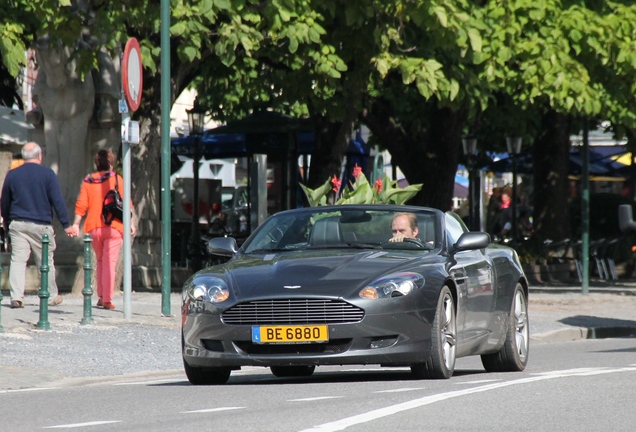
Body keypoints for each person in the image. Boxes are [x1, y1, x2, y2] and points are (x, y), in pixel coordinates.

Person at [1, 142, 76, 309]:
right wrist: (66, 225)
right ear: (39, 156)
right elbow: (57, 201)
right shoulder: (47, 174)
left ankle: (16, 297)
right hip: (41, 225)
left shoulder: (12, 175)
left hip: (18, 223)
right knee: (45, 262)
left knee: (18, 261)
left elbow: (5, 201)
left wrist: (6, 222)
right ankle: (49, 296)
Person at [72, 149, 136, 310]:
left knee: (100, 261)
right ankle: (107, 299)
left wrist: (75, 224)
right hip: (113, 227)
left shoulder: (88, 180)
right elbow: (126, 202)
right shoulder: (117, 179)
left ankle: (101, 296)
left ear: (96, 163)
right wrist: (131, 223)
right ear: (111, 162)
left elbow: (82, 204)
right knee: (110, 262)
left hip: (93, 227)